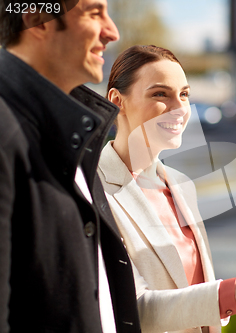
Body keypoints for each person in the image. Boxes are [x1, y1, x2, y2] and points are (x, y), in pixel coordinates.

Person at [98, 45, 236, 333]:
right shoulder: (95, 188)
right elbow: (130, 308)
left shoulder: (179, 184)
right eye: (160, 94)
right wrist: (235, 290)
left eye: (184, 94)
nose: (180, 109)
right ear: (118, 101)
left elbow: (194, 287)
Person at [0, 0, 142, 332]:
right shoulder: (7, 136)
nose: (112, 32)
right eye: (94, 13)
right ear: (38, 18)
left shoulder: (74, 133)